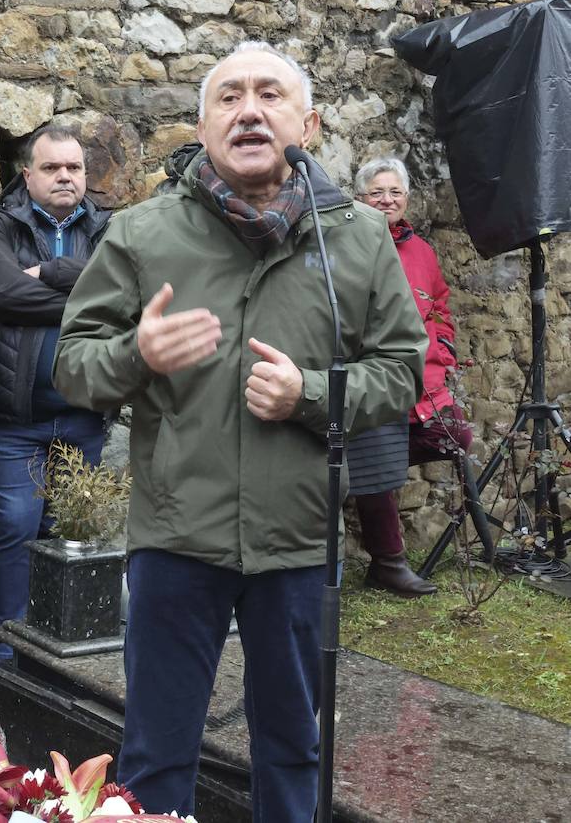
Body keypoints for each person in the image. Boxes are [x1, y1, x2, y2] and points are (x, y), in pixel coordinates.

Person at [54, 42, 426, 821]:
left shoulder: (353, 237)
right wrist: (137, 354)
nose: (248, 109)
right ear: (202, 121)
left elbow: (402, 371)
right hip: (176, 535)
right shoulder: (143, 233)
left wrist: (312, 395)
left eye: (269, 94)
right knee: (155, 753)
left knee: (292, 746)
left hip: (296, 540)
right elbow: (73, 365)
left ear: (309, 123)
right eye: (228, 97)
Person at [0, 124, 111, 665]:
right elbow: (2, 291)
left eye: (74, 168)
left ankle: (58, 655)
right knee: (16, 529)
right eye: (52, 168)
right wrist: (91, 296)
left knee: (70, 535)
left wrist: (50, 271)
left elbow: (130, 286)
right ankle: (0, 657)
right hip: (16, 419)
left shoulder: (106, 228)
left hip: (84, 415)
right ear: (27, 175)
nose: (65, 177)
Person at [348, 157, 472, 597]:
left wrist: (442, 351)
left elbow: (438, 306)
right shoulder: (346, 241)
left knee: (455, 436)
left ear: (406, 198)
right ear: (361, 198)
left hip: (425, 382)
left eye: (394, 192)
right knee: (375, 454)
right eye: (377, 192)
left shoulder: (421, 251)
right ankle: (388, 563)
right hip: (376, 380)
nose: (387, 200)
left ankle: (361, 469)